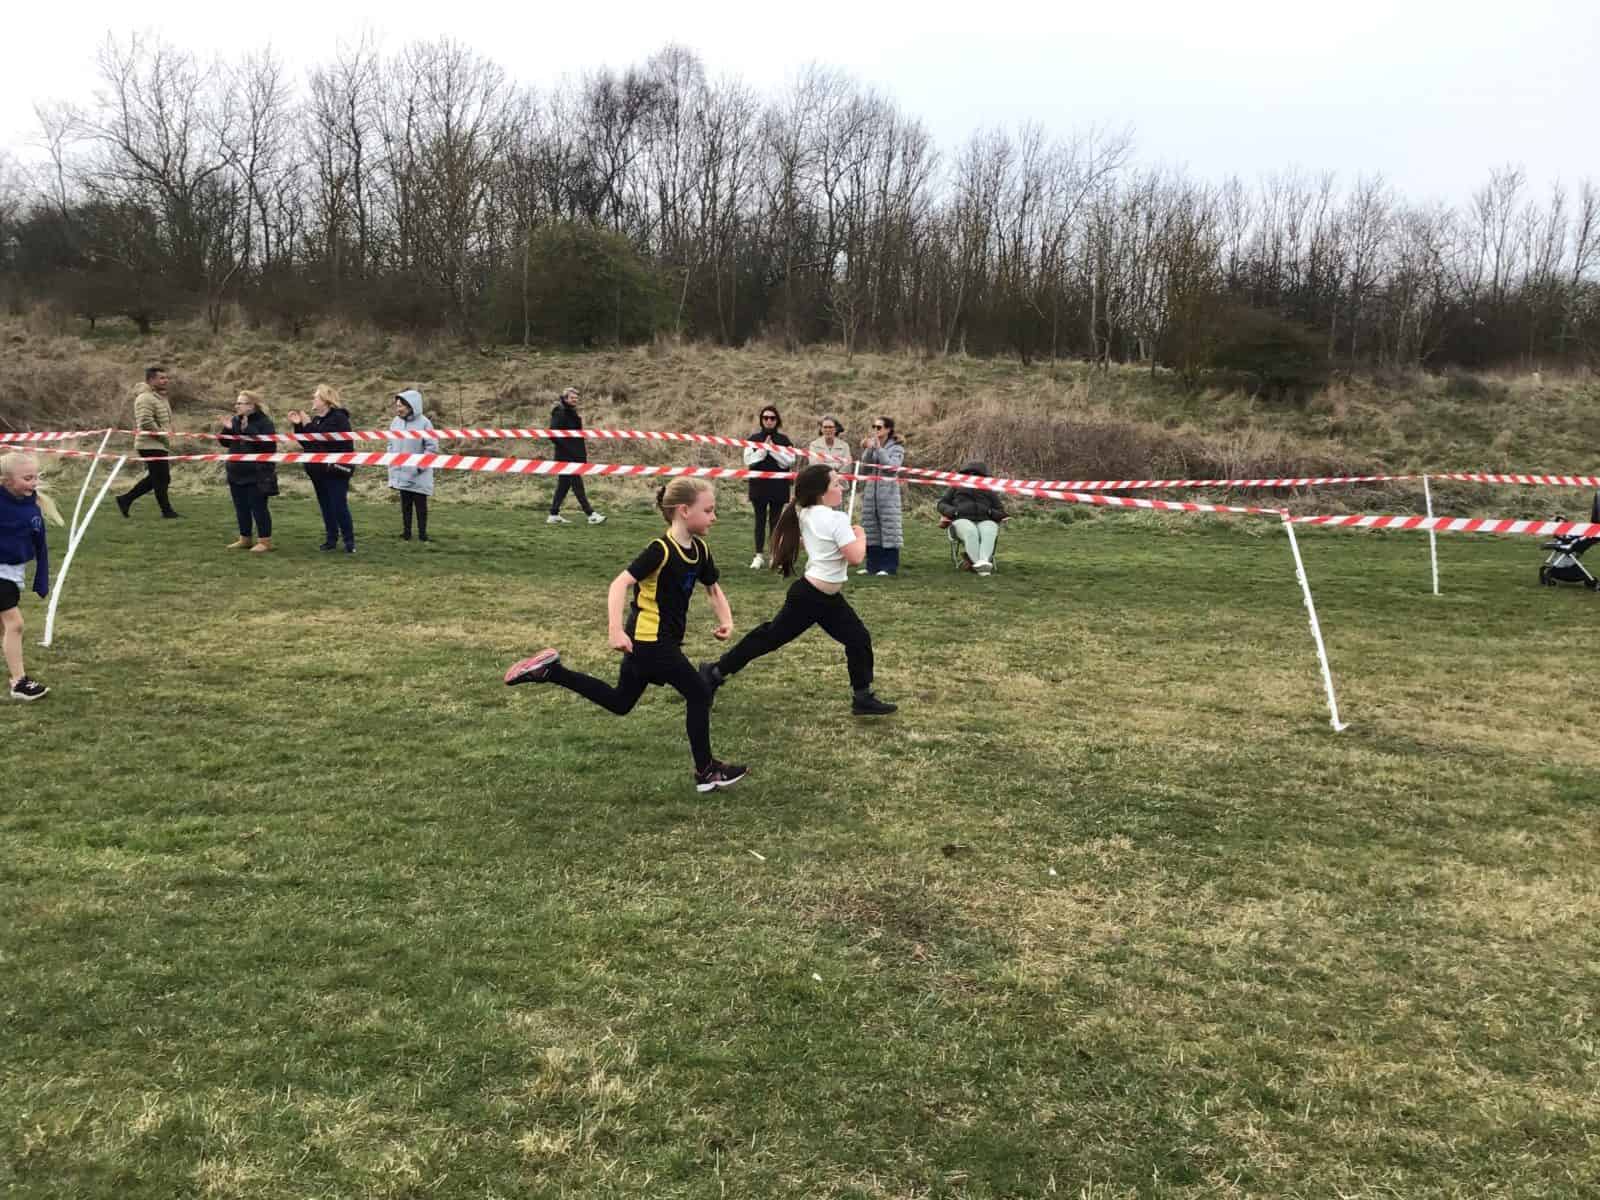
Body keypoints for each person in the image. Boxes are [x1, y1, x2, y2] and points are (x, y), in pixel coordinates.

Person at [504, 477, 748, 792]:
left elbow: (712, 587)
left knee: (620, 702)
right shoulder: (660, 550)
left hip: (654, 642)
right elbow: (619, 583)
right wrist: (615, 629)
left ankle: (551, 671)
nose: (714, 517)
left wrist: (726, 620)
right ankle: (706, 772)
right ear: (684, 510)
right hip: (650, 640)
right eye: (709, 510)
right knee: (699, 692)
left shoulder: (700, 549)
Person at [700, 463, 896, 717]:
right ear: (821, 492)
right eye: (836, 484)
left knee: (858, 638)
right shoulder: (836, 519)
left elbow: (811, 541)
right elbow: (856, 557)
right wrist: (861, 535)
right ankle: (714, 672)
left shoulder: (806, 513)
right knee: (769, 638)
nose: (841, 488)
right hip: (810, 598)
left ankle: (862, 697)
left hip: (825, 598)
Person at [0, 452, 62, 701]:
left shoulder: (32, 508)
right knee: (15, 624)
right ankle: (19, 682)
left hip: (14, 573)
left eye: (35, 477)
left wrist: (42, 578)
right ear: (6, 480)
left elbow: (41, 545)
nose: (34, 482)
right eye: (27, 478)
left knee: (3, 627)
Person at [287, 384, 357, 554]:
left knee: (338, 505)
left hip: (336, 469)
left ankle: (349, 541)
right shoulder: (317, 420)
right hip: (318, 471)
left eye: (316, 397)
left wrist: (307, 424)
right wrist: (298, 426)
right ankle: (331, 539)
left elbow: (322, 439)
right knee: (326, 506)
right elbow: (308, 443)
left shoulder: (339, 418)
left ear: (326, 400)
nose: (313, 399)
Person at [115, 365, 180, 519]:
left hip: (158, 443)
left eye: (166, 378)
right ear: (151, 380)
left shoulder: (159, 397)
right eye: (161, 378)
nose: (166, 380)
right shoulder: (145, 398)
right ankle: (167, 511)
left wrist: (169, 430)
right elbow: (145, 421)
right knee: (162, 478)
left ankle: (125, 499)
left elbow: (162, 418)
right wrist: (162, 435)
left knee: (158, 478)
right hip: (149, 443)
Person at [221, 392, 279, 553]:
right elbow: (224, 443)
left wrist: (248, 430)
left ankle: (265, 541)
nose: (237, 406)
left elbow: (269, 447)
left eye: (241, 403)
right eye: (237, 403)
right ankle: (245, 538)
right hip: (236, 471)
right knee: (241, 507)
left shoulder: (265, 423)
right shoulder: (235, 420)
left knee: (258, 508)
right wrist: (227, 429)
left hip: (257, 473)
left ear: (251, 406)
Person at [743, 405, 796, 569]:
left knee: (776, 522)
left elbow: (789, 461)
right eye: (765, 418)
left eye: (772, 418)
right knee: (759, 521)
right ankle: (758, 556)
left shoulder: (785, 440)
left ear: (777, 420)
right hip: (758, 486)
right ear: (761, 420)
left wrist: (771, 450)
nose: (768, 421)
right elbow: (748, 460)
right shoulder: (753, 439)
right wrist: (763, 451)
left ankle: (774, 555)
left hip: (778, 486)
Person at [936, 461, 1008, 576]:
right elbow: (941, 504)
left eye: (976, 475)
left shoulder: (988, 490)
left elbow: (1001, 511)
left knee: (990, 530)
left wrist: (990, 512)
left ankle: (982, 562)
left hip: (985, 520)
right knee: (970, 531)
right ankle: (982, 567)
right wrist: (954, 512)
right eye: (970, 474)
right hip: (961, 519)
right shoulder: (956, 487)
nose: (973, 477)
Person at [547, 386, 605, 526]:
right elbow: (553, 434)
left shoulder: (571, 412)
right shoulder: (559, 412)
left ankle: (553, 514)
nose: (575, 400)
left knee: (564, 485)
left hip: (574, 455)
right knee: (577, 485)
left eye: (576, 398)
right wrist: (568, 449)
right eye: (572, 398)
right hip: (566, 456)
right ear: (565, 398)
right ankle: (591, 514)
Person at [858, 415, 905, 576]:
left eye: (879, 427)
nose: (875, 430)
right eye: (874, 427)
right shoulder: (873, 445)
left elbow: (892, 468)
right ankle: (872, 566)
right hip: (871, 495)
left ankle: (889, 566)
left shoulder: (897, 448)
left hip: (889, 496)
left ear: (888, 429)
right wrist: (869, 449)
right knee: (871, 530)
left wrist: (879, 449)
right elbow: (864, 468)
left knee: (890, 530)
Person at [388, 389, 437, 542]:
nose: (398, 409)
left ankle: (422, 534)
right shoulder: (395, 422)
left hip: (419, 474)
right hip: (401, 472)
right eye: (397, 406)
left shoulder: (425, 423)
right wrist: (392, 460)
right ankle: (406, 533)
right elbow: (390, 444)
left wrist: (419, 467)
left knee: (420, 506)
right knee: (405, 505)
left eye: (400, 406)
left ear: (410, 406)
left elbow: (432, 448)